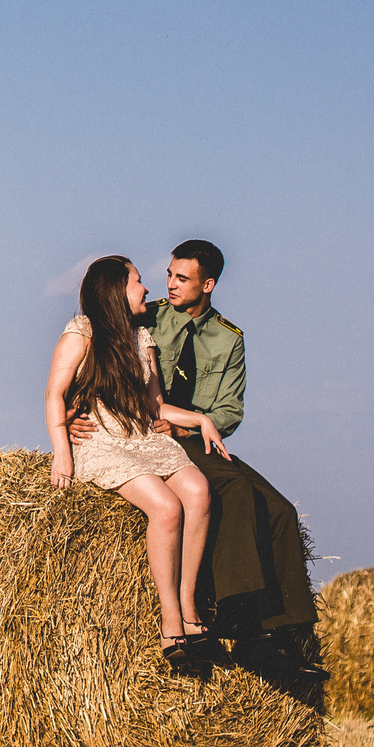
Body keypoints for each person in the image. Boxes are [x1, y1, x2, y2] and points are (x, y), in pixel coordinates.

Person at [69, 238, 324, 690]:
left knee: (281, 511)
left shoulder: (228, 339)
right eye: (166, 275)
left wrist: (193, 428)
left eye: (181, 278)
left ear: (208, 285)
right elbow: (96, 350)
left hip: (188, 435)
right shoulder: (148, 319)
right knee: (233, 492)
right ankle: (243, 627)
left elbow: (229, 410)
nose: (167, 285)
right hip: (147, 433)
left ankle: (291, 632)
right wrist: (75, 413)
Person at [45, 254, 234, 673]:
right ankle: (170, 622)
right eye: (137, 281)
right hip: (103, 440)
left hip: (143, 436)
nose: (146, 288)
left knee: (199, 492)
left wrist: (202, 420)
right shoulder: (81, 334)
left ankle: (189, 603)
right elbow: (54, 395)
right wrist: (62, 452)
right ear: (115, 290)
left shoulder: (141, 339)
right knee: (166, 508)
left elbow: (155, 407)